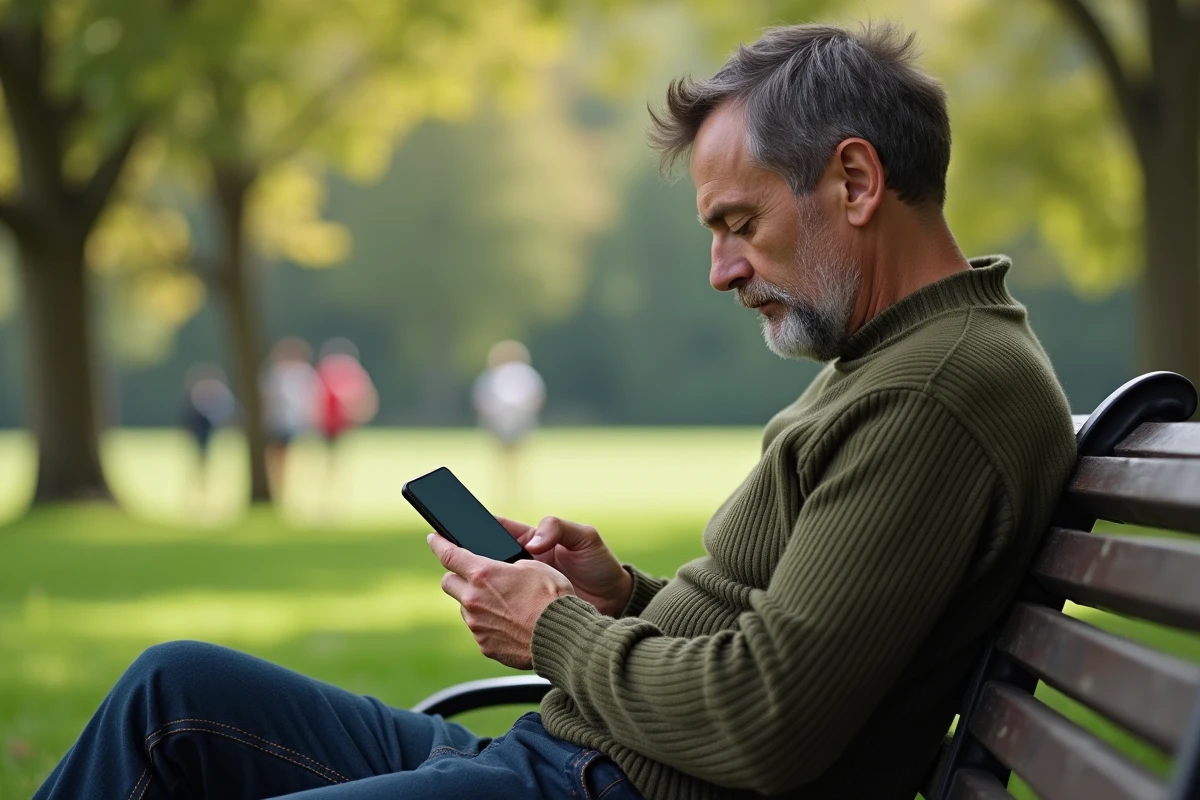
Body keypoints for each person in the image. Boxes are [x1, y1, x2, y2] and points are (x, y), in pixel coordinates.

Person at [35, 23, 1077, 800]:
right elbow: (799, 635)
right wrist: (621, 593)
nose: (719, 270)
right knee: (171, 695)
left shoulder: (937, 391)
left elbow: (770, 718)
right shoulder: (901, 359)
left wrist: (553, 628)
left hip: (596, 781)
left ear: (854, 179)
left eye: (738, 222)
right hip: (566, 756)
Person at [472, 340, 546, 500]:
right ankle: (503, 492)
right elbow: (482, 401)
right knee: (502, 459)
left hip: (519, 422)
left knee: (516, 459)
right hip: (498, 423)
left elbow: (535, 398)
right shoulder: (491, 376)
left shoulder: (525, 375)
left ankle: (516, 492)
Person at [313, 338, 378, 511]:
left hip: (334, 424)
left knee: (333, 461)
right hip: (334, 424)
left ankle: (331, 498)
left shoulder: (329, 371)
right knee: (334, 462)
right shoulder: (346, 372)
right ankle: (331, 497)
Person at [261, 337, 319, 496]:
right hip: (281, 423)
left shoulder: (299, 373)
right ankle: (280, 488)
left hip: (296, 423)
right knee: (279, 458)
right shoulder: (278, 373)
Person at [179, 363, 236, 514]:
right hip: (201, 434)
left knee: (205, 464)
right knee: (199, 464)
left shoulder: (208, 392)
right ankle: (198, 493)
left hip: (208, 434)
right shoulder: (200, 394)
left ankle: (204, 493)